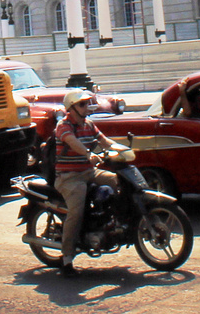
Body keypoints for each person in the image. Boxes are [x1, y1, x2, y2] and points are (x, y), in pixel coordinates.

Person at [53, 88, 121, 278]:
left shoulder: (89, 124)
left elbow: (106, 141)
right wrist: (88, 153)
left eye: (87, 103)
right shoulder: (63, 126)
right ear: (71, 108)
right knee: (77, 209)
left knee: (118, 181)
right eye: (82, 104)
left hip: (88, 172)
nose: (86, 107)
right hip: (69, 176)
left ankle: (115, 224)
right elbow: (72, 142)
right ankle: (67, 258)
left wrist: (123, 150)